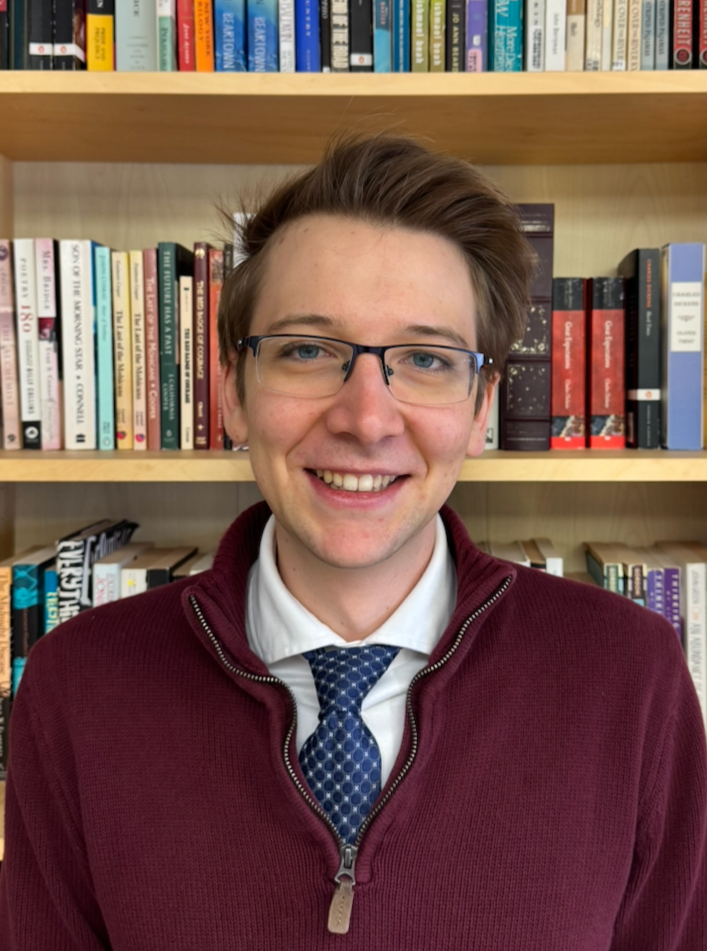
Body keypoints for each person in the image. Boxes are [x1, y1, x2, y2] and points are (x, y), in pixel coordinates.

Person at [1, 134, 705, 950]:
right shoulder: (76, 686)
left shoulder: (629, 677)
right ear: (231, 390)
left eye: (424, 359)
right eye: (306, 350)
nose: (366, 418)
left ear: (482, 408)